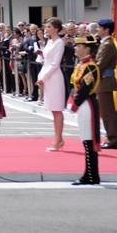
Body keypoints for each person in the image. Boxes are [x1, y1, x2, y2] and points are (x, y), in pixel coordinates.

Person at [66, 35, 102, 186]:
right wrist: (71, 101)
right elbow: (75, 87)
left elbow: (85, 88)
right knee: (85, 140)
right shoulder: (81, 65)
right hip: (82, 104)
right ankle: (89, 174)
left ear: (87, 48)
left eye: (78, 46)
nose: (75, 48)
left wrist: (74, 104)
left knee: (88, 141)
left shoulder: (91, 66)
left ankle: (91, 176)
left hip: (87, 103)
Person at [37, 18, 67, 150]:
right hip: (47, 75)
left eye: (49, 26)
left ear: (55, 28)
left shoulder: (59, 42)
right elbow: (46, 60)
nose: (46, 29)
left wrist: (43, 77)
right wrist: (41, 76)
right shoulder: (49, 41)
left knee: (57, 109)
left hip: (54, 77)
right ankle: (58, 139)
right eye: (46, 26)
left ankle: (58, 140)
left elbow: (55, 63)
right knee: (52, 110)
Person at [93, 19, 117, 149]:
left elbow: (100, 64)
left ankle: (112, 139)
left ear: (106, 30)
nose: (97, 30)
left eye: (99, 28)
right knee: (105, 112)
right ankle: (111, 137)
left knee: (108, 112)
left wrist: (87, 72)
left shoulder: (108, 44)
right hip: (103, 80)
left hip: (105, 80)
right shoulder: (105, 43)